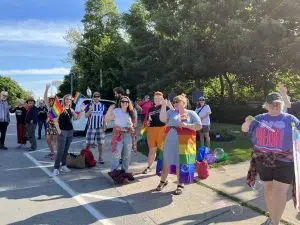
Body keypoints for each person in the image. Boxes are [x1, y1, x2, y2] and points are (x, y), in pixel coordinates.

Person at [242, 92, 300, 225]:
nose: (274, 106)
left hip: (285, 160)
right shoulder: (259, 118)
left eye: (277, 103)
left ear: (282, 104)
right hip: (263, 159)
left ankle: (275, 222)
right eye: (271, 104)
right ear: (266, 106)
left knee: (279, 191)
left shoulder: (290, 119)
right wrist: (247, 122)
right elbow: (245, 130)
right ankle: (272, 216)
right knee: (268, 188)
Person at [156, 94, 201, 195]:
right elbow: (162, 119)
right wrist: (163, 105)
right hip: (169, 141)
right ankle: (163, 181)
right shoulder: (171, 112)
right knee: (166, 161)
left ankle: (180, 184)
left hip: (184, 144)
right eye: (174, 101)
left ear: (184, 103)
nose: (175, 103)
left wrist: (187, 125)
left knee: (180, 163)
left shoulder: (191, 113)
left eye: (178, 101)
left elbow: (199, 126)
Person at [52, 94, 85, 177]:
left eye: (70, 99)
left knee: (66, 150)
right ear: (64, 100)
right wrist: (59, 131)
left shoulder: (71, 109)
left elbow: (77, 117)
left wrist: (81, 110)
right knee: (60, 151)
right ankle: (56, 168)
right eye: (66, 99)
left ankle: (63, 166)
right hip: (62, 132)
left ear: (71, 101)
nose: (68, 100)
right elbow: (54, 120)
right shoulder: (60, 109)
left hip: (70, 131)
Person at [105, 95, 137, 173]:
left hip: (128, 135)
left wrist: (130, 126)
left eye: (126, 101)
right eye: (123, 101)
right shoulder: (116, 111)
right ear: (120, 102)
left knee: (126, 155)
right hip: (118, 135)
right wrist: (110, 109)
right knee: (116, 153)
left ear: (128, 103)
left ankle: (124, 171)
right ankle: (114, 172)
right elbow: (106, 119)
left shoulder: (132, 112)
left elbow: (135, 125)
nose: (124, 103)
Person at [142, 91, 168, 174]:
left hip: (162, 130)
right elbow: (148, 119)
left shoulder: (165, 107)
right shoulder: (150, 108)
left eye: (159, 98)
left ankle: (165, 168)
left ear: (162, 99)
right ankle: (149, 167)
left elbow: (170, 117)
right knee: (152, 150)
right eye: (155, 98)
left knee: (164, 150)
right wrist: (147, 123)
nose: (156, 99)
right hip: (151, 130)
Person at [85, 92, 107, 165]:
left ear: (100, 97)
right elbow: (86, 116)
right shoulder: (89, 105)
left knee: (100, 143)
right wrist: (90, 110)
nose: (97, 97)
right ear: (93, 97)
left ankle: (100, 157)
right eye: (95, 96)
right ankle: (86, 157)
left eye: (98, 96)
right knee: (88, 144)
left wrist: (105, 125)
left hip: (100, 127)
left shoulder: (103, 106)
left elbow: (104, 116)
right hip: (91, 127)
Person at [44, 84, 58, 159]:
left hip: (56, 125)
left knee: (55, 141)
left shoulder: (57, 107)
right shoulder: (49, 107)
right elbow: (45, 98)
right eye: (50, 100)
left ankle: (57, 154)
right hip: (49, 125)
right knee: (48, 140)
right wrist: (46, 89)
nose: (51, 101)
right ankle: (52, 152)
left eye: (52, 100)